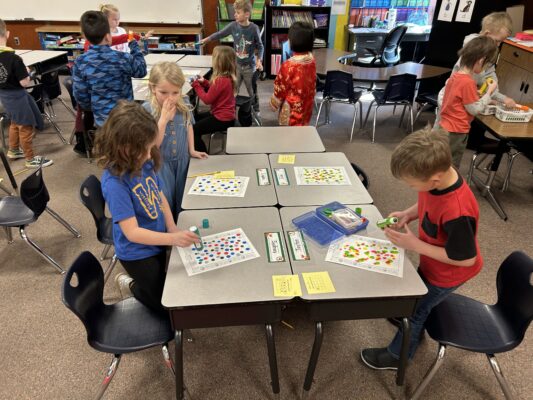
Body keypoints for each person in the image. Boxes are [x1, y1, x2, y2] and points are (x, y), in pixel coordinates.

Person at [360, 128, 483, 370]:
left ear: (435, 178)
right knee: (417, 299)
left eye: (411, 184)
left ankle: (398, 356)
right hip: (433, 264)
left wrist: (415, 245)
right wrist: (408, 214)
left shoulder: (458, 212)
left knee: (416, 311)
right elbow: (428, 200)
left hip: (448, 275)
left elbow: (466, 259)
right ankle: (411, 318)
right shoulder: (442, 178)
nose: (410, 187)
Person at [95, 101, 199, 314]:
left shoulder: (142, 160)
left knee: (165, 288)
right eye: (146, 150)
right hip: (137, 254)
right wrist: (172, 239)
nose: (151, 155)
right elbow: (132, 233)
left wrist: (171, 227)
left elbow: (159, 195)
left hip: (157, 238)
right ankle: (130, 285)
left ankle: (145, 287)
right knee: (164, 307)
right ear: (126, 149)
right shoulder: (115, 184)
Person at [144, 61, 208, 218]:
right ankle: (169, 234)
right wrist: (163, 120)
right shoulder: (147, 110)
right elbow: (153, 147)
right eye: (164, 92)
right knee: (165, 202)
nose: (170, 98)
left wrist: (191, 149)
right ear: (153, 88)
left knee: (183, 200)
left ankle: (180, 230)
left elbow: (189, 126)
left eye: (175, 92)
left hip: (182, 161)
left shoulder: (184, 104)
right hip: (161, 166)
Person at [72, 10, 147, 128]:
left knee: (106, 145)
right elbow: (141, 70)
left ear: (85, 36)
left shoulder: (80, 62)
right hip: (127, 120)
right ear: (108, 36)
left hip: (102, 122)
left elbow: (81, 96)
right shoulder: (123, 58)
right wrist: (134, 46)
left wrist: (96, 107)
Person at [435, 36, 498, 168]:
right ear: (481, 60)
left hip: (444, 126)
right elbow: (474, 110)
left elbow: (458, 99)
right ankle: (446, 187)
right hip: (456, 131)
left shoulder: (456, 76)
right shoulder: (468, 82)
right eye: (488, 64)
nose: (486, 68)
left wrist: (479, 95)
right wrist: (488, 94)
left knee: (440, 160)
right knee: (450, 165)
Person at [0, 19, 52, 168]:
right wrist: (29, 73)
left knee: (15, 122)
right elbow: (24, 83)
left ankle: (14, 150)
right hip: (17, 96)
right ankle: (30, 158)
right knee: (26, 125)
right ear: (8, 34)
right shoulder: (14, 58)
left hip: (4, 95)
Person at [200, 0, 263, 112]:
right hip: (237, 66)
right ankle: (230, 111)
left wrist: (259, 60)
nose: (235, 15)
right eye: (235, 12)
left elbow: (260, 46)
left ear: (247, 14)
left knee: (251, 90)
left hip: (250, 67)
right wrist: (207, 39)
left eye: (238, 12)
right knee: (233, 89)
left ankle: (256, 109)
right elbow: (220, 34)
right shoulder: (233, 26)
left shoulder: (254, 28)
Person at [191, 46, 236, 153]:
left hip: (222, 119)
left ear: (219, 63)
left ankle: (203, 154)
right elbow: (215, 90)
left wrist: (196, 85)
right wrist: (205, 82)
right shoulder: (227, 77)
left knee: (192, 130)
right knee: (194, 118)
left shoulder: (220, 80)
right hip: (225, 116)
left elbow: (207, 99)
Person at [270, 21, 316, 126]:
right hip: (307, 105)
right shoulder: (311, 59)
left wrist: (274, 103)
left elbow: (280, 88)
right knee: (303, 128)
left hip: (291, 110)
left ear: (293, 41)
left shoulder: (289, 65)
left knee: (288, 136)